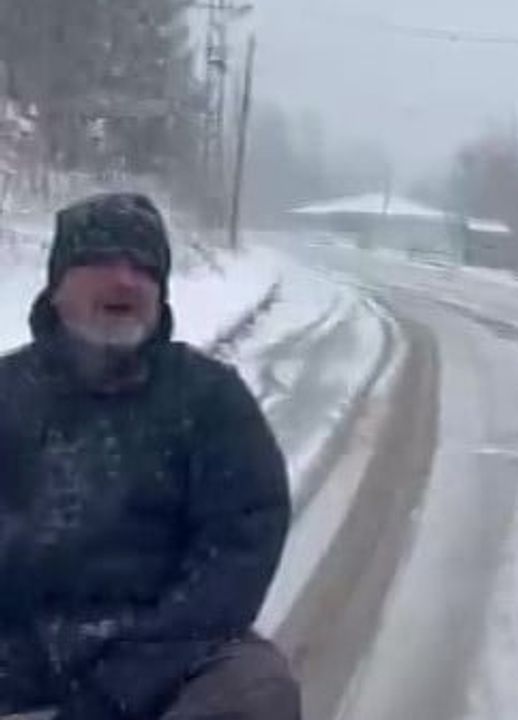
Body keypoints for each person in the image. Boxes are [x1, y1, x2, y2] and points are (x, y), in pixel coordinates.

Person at [0, 193, 299, 719]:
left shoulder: (210, 400)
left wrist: (130, 677)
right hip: (18, 649)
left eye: (144, 268)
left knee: (256, 688)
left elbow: (237, 554)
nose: (125, 280)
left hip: (163, 654)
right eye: (103, 261)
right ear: (57, 284)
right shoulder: (6, 393)